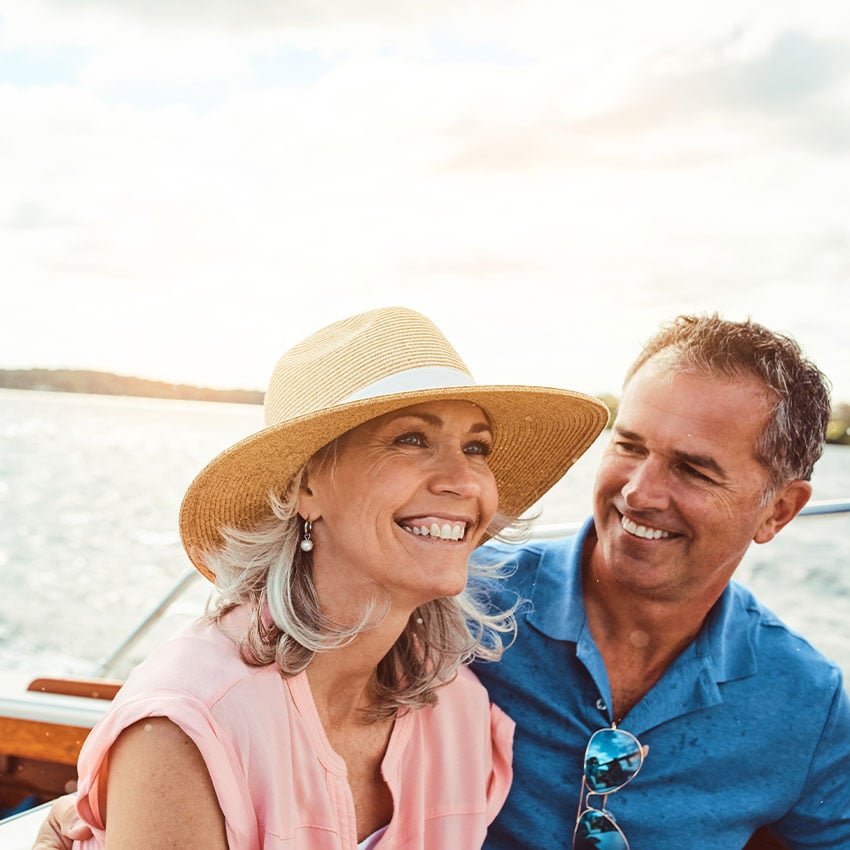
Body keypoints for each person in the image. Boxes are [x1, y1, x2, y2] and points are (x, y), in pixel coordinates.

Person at [30, 305, 607, 850]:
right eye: (411, 439)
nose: (464, 480)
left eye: (476, 447)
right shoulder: (190, 723)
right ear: (305, 487)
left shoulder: (459, 711)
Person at [472, 313, 850, 849]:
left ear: (779, 511)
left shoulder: (804, 699)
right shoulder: (463, 604)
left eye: (693, 470)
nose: (638, 493)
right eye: (629, 446)